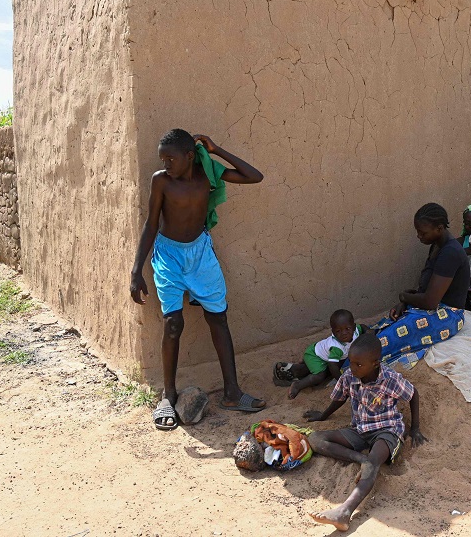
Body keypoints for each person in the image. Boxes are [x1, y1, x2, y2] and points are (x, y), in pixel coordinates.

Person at [130, 129, 266, 430]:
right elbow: (152, 223)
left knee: (218, 317)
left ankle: (232, 392)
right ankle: (168, 396)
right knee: (173, 323)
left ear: (190, 156)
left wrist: (216, 149)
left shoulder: (209, 175)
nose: (166, 163)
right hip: (168, 255)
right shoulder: (161, 181)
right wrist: (136, 270)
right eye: (162, 158)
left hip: (201, 253)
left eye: (171, 158)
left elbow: (254, 176)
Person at [304, 333, 425, 532]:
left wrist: (415, 427)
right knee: (316, 438)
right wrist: (323, 415)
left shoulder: (390, 379)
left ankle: (345, 511)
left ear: (376, 363)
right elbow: (340, 398)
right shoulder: (350, 376)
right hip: (360, 430)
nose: (353, 368)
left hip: (387, 430)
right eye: (351, 362)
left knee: (374, 462)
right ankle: (361, 459)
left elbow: (413, 395)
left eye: (359, 365)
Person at [374, 203, 468, 368]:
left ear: (439, 229)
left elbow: (431, 301)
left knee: (381, 344)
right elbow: (427, 289)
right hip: (432, 307)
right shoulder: (437, 246)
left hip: (448, 315)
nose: (419, 236)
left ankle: (343, 366)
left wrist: (403, 296)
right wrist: (405, 302)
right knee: (381, 327)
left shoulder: (450, 252)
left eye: (422, 232)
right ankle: (331, 359)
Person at [273, 309, 364, 399]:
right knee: (319, 376)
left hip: (320, 353)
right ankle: (298, 385)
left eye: (347, 329)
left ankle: (298, 368)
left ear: (354, 326)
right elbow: (332, 366)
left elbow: (363, 327)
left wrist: (369, 332)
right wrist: (342, 381)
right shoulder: (337, 347)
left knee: (336, 363)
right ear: (333, 332)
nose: (344, 333)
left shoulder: (356, 331)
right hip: (314, 356)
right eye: (338, 331)